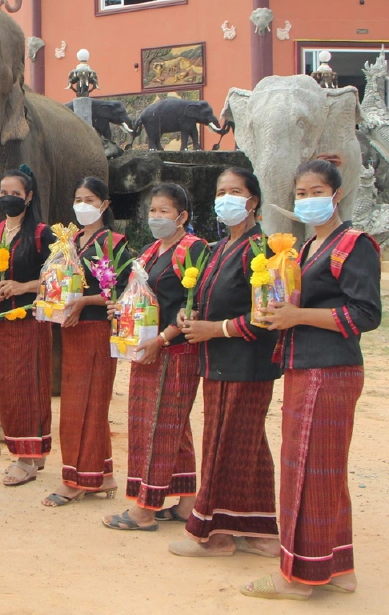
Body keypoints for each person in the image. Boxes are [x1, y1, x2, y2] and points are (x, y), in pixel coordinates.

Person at [242, 159, 381, 601]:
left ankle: (299, 577)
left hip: (328, 368)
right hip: (306, 363)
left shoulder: (353, 245)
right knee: (325, 469)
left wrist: (298, 315)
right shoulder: (304, 251)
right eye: (300, 193)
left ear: (336, 195)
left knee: (305, 468)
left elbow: (366, 314)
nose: (307, 200)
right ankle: (337, 567)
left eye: (316, 191)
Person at [171, 168, 281, 558]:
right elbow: (204, 299)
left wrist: (214, 329)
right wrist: (189, 318)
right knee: (245, 443)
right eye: (221, 192)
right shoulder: (217, 249)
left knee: (226, 442)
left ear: (252, 202)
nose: (226, 199)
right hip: (216, 360)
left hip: (247, 362)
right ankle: (259, 530)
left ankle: (213, 534)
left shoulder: (263, 251)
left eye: (235, 192)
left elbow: (265, 316)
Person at [104, 183, 207, 527]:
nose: (156, 217)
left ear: (182, 217)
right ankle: (187, 502)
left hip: (174, 350)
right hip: (144, 348)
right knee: (174, 426)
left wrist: (161, 340)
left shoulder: (193, 249)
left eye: (164, 211)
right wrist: (121, 309)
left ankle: (145, 510)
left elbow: (194, 306)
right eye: (152, 210)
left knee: (158, 427)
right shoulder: (149, 252)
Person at [44, 177, 130, 506]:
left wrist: (83, 302)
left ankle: (79, 479)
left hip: (95, 329)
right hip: (71, 328)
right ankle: (102, 475)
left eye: (90, 199)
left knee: (87, 405)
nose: (83, 205)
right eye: (78, 198)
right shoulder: (71, 241)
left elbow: (118, 290)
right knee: (79, 402)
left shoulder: (114, 242)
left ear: (105, 204)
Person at [0, 166, 53, 486]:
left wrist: (22, 287)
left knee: (30, 388)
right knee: (8, 389)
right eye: (4, 193)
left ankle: (28, 457)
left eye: (16, 194)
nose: (8, 199)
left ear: (29, 197)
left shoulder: (42, 233)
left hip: (31, 322)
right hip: (2, 324)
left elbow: (58, 277)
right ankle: (27, 454)